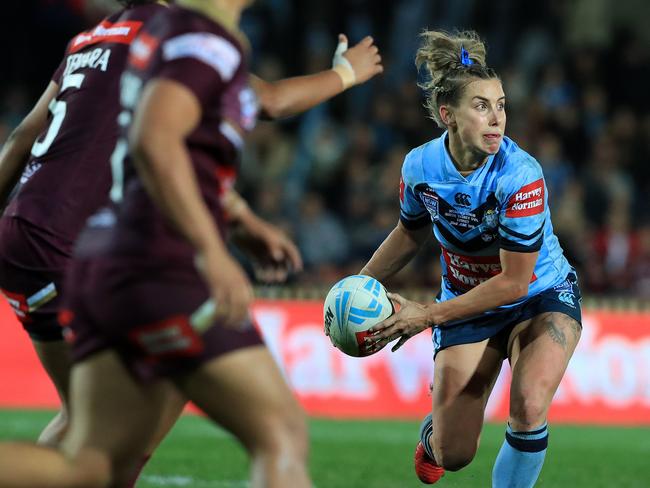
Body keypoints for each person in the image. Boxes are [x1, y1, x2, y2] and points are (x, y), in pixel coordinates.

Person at [0, 0, 383, 487]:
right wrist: (213, 249)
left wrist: (238, 216)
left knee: (92, 455)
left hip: (79, 244)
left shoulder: (101, 38)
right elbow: (160, 140)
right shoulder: (196, 38)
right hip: (140, 255)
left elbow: (33, 138)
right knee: (279, 433)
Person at [359, 30, 582, 487]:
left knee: (529, 405)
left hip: (539, 295)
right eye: (481, 106)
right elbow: (409, 233)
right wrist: (357, 286)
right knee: (453, 454)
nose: (497, 118)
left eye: (501, 104)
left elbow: (513, 284)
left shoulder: (521, 176)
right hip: (466, 301)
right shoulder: (419, 167)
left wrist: (426, 316)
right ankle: (433, 436)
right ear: (449, 116)